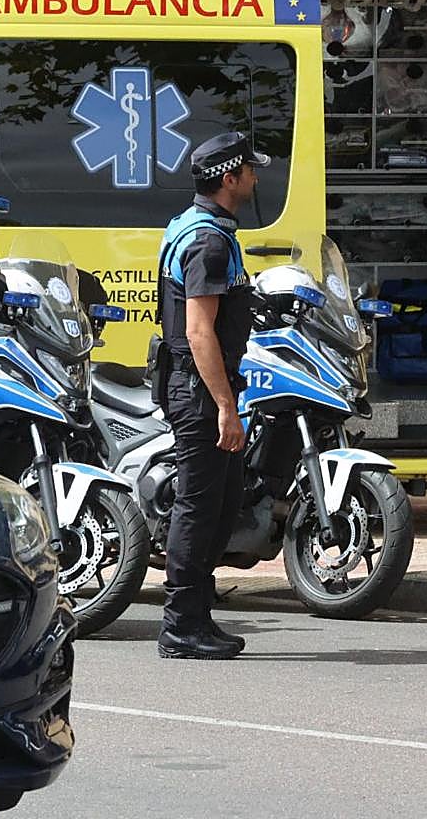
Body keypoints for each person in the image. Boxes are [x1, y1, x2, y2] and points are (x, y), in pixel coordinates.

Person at [154, 131, 269, 660]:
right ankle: (179, 626)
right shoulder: (207, 241)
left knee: (220, 508)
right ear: (230, 178)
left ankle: (198, 616)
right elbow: (200, 332)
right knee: (198, 510)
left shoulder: (202, 227)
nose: (255, 177)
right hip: (199, 389)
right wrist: (225, 406)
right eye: (249, 170)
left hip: (199, 385)